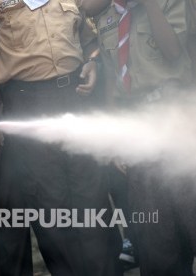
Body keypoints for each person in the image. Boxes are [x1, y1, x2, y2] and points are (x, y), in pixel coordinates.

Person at [0, 0, 123, 275]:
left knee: (92, 192)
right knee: (50, 202)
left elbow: (89, 41)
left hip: (75, 98)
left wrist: (93, 62)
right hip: (29, 106)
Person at [85, 0, 196, 275]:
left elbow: (173, 51)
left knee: (190, 216)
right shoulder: (109, 17)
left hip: (178, 123)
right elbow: (113, 83)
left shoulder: (173, 3)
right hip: (138, 131)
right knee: (155, 240)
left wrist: (150, 5)